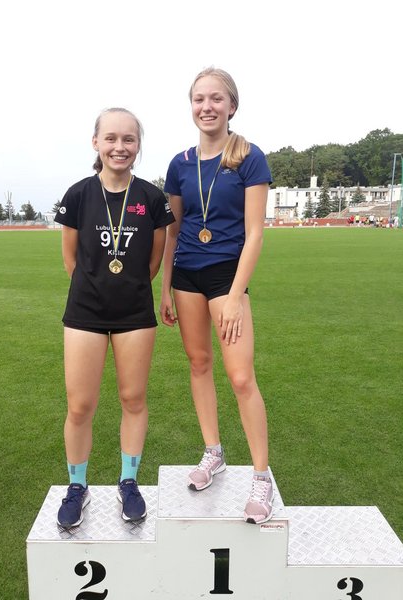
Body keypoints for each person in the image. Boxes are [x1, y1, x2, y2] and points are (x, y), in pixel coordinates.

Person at [160, 67, 273, 524]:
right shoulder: (179, 164)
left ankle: (261, 476)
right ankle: (214, 452)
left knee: (241, 377)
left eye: (216, 98)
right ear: (191, 106)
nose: (206, 107)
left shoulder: (249, 157)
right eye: (199, 99)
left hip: (228, 275)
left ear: (232, 106)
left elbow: (255, 233)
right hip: (186, 275)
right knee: (199, 363)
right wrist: (165, 288)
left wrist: (235, 294)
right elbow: (173, 232)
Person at [54, 107, 174, 528]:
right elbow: (70, 259)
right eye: (111, 138)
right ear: (96, 143)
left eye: (128, 139)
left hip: (135, 314)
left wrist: (128, 288)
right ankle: (77, 486)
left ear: (138, 145)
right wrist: (96, 289)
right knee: (80, 405)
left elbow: (154, 261)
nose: (119, 147)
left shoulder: (152, 198)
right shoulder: (78, 195)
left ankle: (128, 481)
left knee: (133, 399)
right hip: (84, 313)